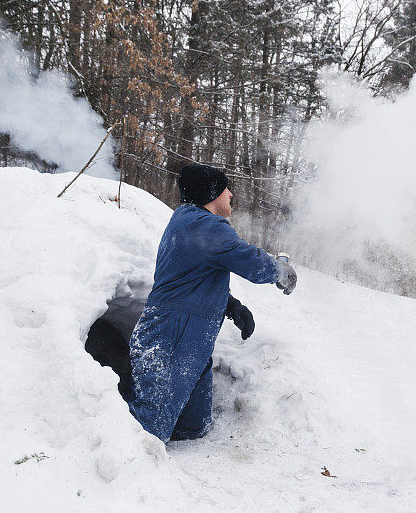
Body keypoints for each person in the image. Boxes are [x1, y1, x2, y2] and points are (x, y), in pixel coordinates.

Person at [127, 163, 297, 443]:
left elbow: (192, 280)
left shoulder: (189, 224)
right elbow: (252, 262)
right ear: (211, 194)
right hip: (172, 341)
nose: (231, 194)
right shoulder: (203, 226)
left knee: (193, 429)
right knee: (145, 435)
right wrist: (282, 271)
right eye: (225, 188)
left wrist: (231, 306)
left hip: (189, 342)